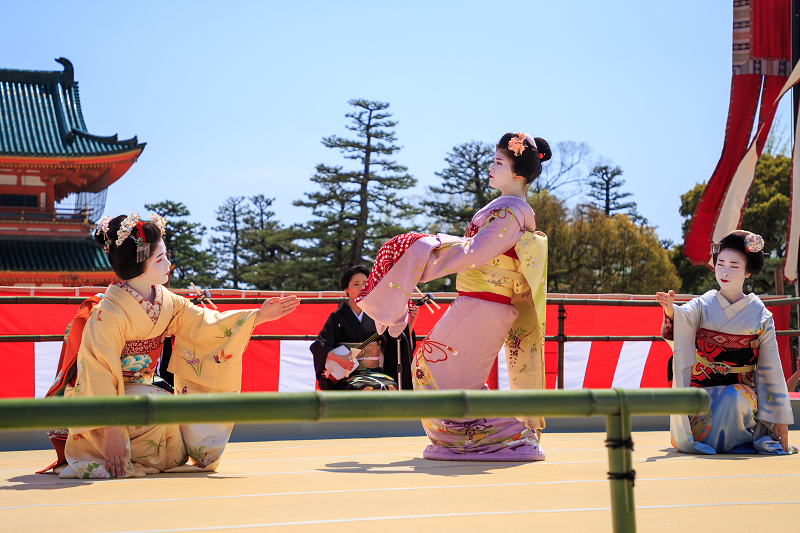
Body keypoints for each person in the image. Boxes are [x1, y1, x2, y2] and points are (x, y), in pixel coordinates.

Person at [56, 212, 300, 479]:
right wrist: (112, 431)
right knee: (152, 402)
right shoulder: (107, 314)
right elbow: (98, 372)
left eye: (166, 255)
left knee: (166, 405)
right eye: (160, 259)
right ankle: (110, 445)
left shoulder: (167, 301)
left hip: (141, 392)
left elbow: (205, 323)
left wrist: (258, 316)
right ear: (139, 264)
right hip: (107, 404)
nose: (168, 264)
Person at [356, 132, 550, 461]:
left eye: (498, 162)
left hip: (484, 303)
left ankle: (509, 436)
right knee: (442, 373)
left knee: (428, 367)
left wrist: (424, 251)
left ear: (517, 172)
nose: (490, 167)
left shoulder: (510, 212)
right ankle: (479, 438)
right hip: (482, 303)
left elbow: (476, 252)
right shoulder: (510, 210)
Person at [656, 230, 795, 454]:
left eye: (733, 265)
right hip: (701, 390)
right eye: (720, 264)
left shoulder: (760, 315)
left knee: (733, 398)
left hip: (740, 393)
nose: (725, 271)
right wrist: (672, 311)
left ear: (748, 272)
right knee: (695, 402)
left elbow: (771, 369)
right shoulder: (703, 304)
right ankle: (714, 440)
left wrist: (779, 417)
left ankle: (734, 439)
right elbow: (683, 319)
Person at [310, 265, 416, 390]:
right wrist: (339, 359)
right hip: (348, 374)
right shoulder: (337, 317)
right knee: (367, 388)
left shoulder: (377, 315)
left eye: (365, 284)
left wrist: (412, 320)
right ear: (346, 288)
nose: (361, 288)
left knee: (391, 387)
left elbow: (397, 341)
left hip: (376, 372)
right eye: (356, 284)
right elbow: (319, 345)